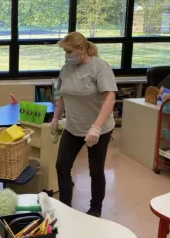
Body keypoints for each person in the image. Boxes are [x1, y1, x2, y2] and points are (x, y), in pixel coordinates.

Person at [51, 32, 117, 218]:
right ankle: (65, 207)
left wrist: (96, 127)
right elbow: (63, 95)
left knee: (95, 171)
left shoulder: (100, 67)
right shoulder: (66, 69)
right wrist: (56, 118)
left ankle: (95, 209)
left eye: (69, 51)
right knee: (62, 166)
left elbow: (110, 98)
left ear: (81, 49)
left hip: (98, 130)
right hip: (73, 127)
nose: (67, 55)